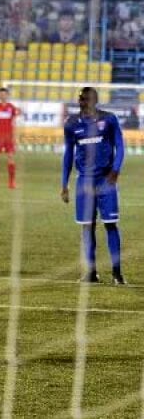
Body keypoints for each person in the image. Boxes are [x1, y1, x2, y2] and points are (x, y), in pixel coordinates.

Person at [62, 86, 126, 285]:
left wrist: (115, 170)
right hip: (84, 182)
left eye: (87, 99)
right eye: (81, 99)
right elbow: (68, 155)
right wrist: (64, 183)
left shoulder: (109, 119)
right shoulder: (71, 124)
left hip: (106, 180)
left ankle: (117, 272)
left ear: (95, 101)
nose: (83, 102)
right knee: (87, 227)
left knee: (110, 224)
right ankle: (91, 273)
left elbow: (120, 146)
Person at [0, 87, 20, 189]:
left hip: (9, 136)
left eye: (4, 94)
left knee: (11, 158)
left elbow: (14, 123)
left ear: (7, 95)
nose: (2, 96)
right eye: (0, 94)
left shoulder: (12, 107)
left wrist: (15, 137)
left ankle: (11, 182)